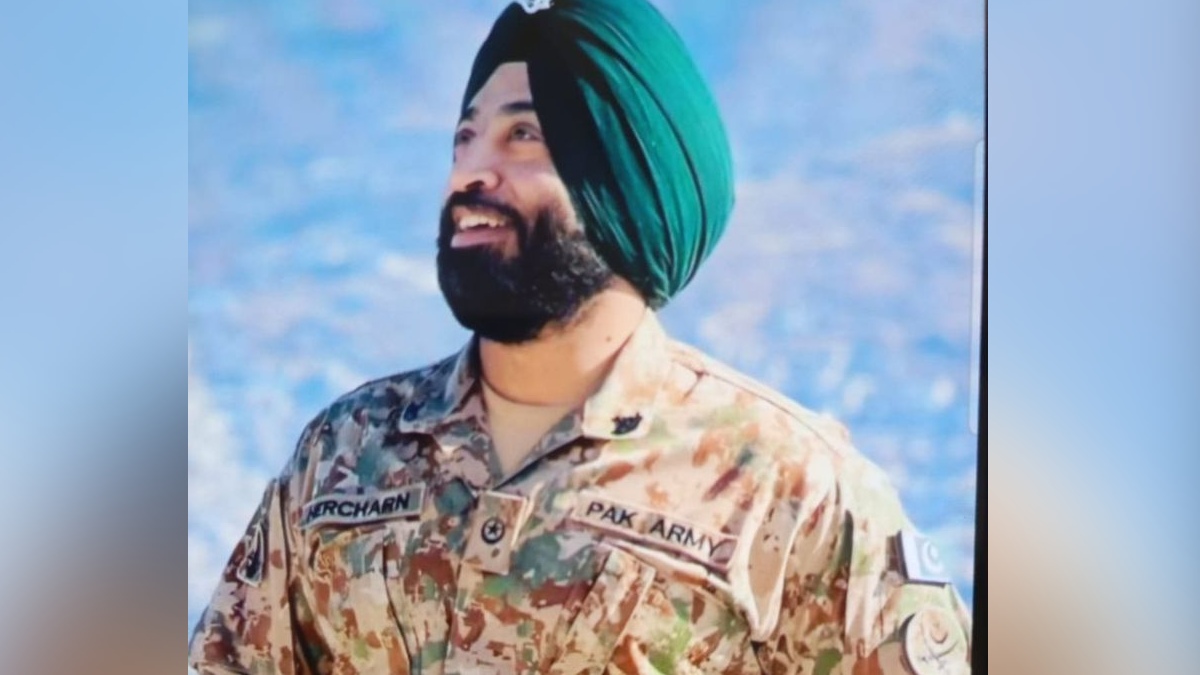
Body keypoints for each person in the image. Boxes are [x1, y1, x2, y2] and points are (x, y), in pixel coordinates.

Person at [188, 1, 973, 673]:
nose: (470, 173)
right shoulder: (345, 453)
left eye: (522, 136)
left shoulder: (790, 490)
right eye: (465, 139)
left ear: (622, 186)